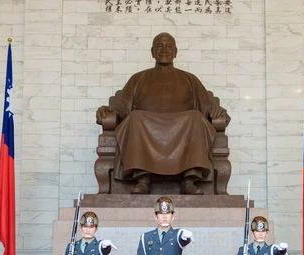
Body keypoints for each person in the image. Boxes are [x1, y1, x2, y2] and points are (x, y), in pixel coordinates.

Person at [96, 32, 230, 195]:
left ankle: (189, 180)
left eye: (168, 46)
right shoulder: (138, 79)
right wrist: (110, 110)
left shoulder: (189, 79)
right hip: (145, 125)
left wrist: (216, 110)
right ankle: (142, 178)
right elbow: (123, 107)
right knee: (135, 117)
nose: (164, 50)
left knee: (196, 117)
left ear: (175, 52)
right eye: (159, 46)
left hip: (183, 126)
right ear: (152, 52)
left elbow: (207, 106)